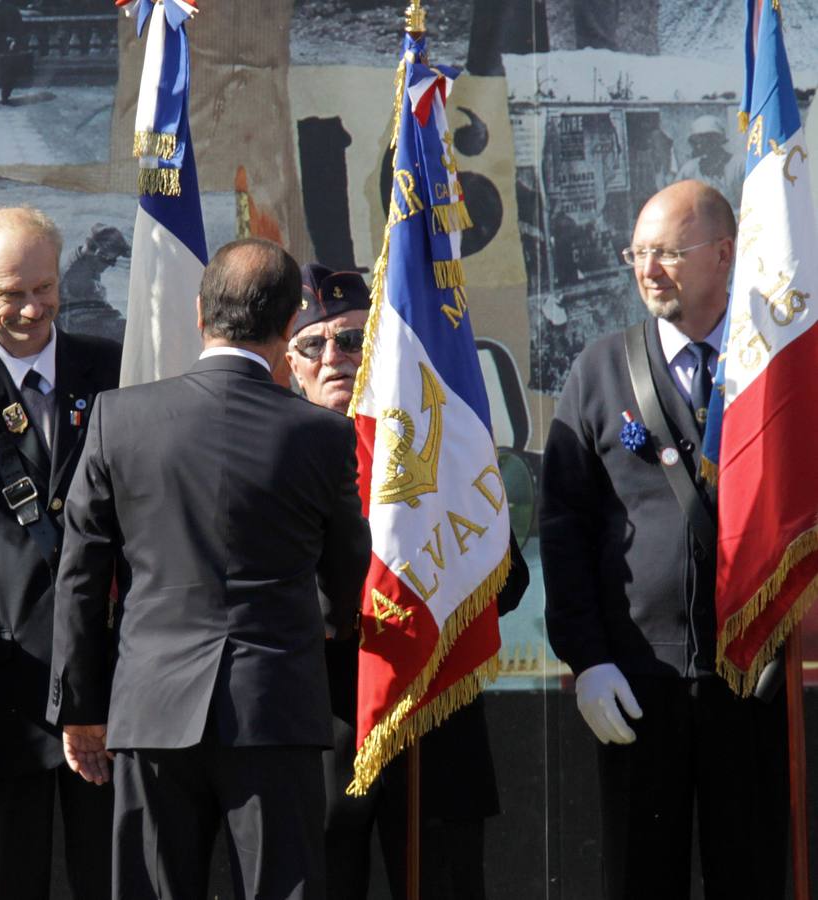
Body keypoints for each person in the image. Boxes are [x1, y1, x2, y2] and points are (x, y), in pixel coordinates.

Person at [47, 238, 372, 900]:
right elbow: (346, 569)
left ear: (200, 314)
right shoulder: (323, 435)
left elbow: (80, 577)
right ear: (290, 324)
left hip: (152, 708)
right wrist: (331, 623)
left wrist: (78, 707)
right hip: (275, 707)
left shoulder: (119, 418)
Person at [540, 180, 787, 900]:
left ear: (724, 254)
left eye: (669, 253)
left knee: (753, 874)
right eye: (638, 253)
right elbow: (564, 527)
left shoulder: (776, 370)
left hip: (755, 675)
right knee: (641, 878)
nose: (648, 270)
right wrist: (588, 659)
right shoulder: (599, 370)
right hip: (638, 680)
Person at [287, 263, 529, 900]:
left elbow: (506, 582)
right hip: (323, 726)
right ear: (290, 361)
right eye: (313, 344)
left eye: (352, 339)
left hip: (434, 719)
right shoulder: (271, 454)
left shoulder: (441, 445)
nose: (334, 358)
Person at [0, 206, 120, 900]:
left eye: (46, 288)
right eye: (13, 293)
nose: (34, 309)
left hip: (113, 692)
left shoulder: (118, 372)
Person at [673, 115, 746, 207]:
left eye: (708, 141)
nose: (700, 146)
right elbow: (675, 199)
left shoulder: (740, 165)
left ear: (719, 141)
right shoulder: (688, 170)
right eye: (697, 142)